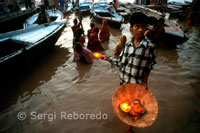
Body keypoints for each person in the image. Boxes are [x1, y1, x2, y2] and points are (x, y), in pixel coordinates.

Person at [102, 12, 157, 88]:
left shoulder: (150, 47)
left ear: (146, 28)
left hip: (137, 86)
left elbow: (149, 66)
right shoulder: (127, 45)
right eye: (137, 27)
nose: (140, 30)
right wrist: (108, 59)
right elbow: (121, 63)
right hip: (123, 82)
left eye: (143, 27)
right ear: (131, 28)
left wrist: (145, 82)